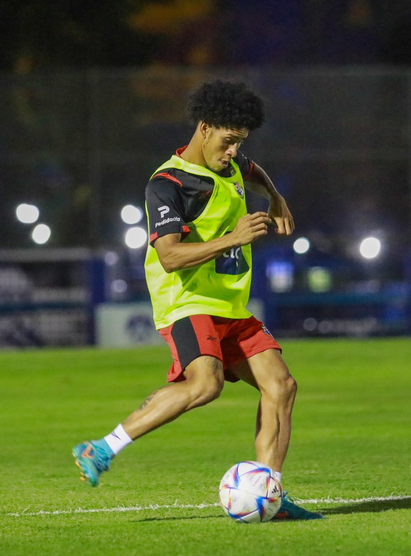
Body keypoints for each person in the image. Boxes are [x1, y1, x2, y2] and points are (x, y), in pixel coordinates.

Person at [73, 79, 323, 520]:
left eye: (239, 144)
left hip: (228, 305)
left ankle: (271, 494)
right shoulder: (168, 184)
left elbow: (252, 170)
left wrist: (277, 197)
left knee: (281, 386)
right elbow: (169, 256)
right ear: (204, 128)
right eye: (228, 142)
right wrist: (234, 236)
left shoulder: (229, 164)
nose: (233, 152)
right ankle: (102, 448)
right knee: (205, 385)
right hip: (186, 301)